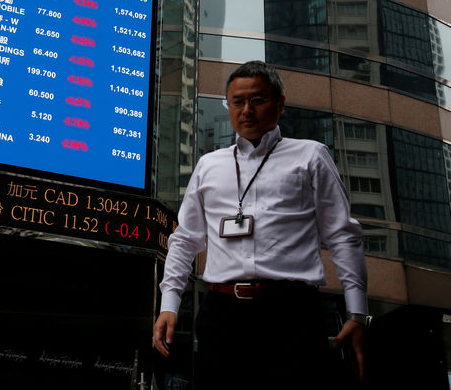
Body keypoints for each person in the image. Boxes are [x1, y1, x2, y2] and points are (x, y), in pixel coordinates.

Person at [153, 61, 368, 389]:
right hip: (221, 314)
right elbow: (184, 240)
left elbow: (342, 235)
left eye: (258, 100)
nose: (246, 110)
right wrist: (169, 304)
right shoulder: (209, 165)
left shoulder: (311, 156)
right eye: (237, 102)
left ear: (281, 104)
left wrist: (357, 313)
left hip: (291, 313)